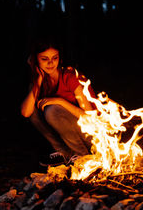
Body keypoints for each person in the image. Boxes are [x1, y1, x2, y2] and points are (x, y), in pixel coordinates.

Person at [20, 37, 97, 166]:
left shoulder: (69, 76)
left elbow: (90, 117)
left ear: (59, 58)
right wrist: (38, 80)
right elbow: (26, 113)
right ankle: (66, 154)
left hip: (93, 135)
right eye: (44, 59)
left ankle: (83, 156)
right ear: (36, 60)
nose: (50, 63)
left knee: (52, 110)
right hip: (71, 135)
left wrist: (60, 101)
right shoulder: (39, 82)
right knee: (34, 111)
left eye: (54, 58)